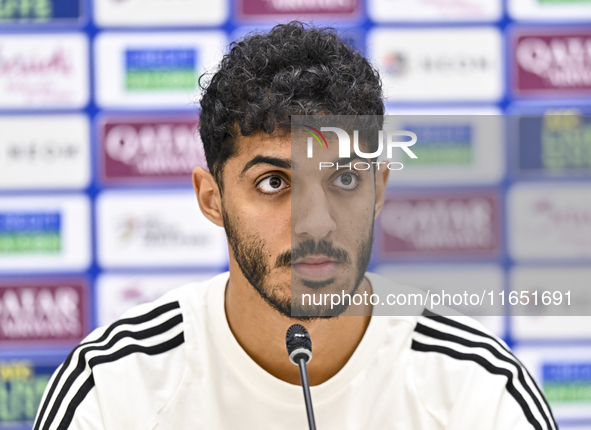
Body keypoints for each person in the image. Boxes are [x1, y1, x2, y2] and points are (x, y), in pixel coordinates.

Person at [34, 22, 556, 430]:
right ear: (211, 199)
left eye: (345, 179)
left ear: (379, 190)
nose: (315, 223)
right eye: (273, 183)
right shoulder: (111, 386)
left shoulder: (479, 389)